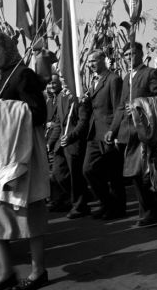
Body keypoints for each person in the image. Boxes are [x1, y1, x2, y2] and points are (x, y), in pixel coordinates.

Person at [0, 31, 50, 290]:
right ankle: (6, 272)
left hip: (24, 154)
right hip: (5, 153)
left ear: (7, 47)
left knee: (31, 211)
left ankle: (38, 271)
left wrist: (1, 108)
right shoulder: (1, 75)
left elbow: (39, 113)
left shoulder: (24, 74)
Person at [105, 42, 157, 226]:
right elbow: (120, 107)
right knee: (134, 174)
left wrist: (140, 104)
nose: (129, 57)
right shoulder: (126, 79)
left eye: (132, 53)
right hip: (127, 133)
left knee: (146, 173)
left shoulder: (151, 73)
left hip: (145, 132)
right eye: (126, 55)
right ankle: (150, 209)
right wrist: (113, 129)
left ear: (140, 54)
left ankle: (152, 211)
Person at [82, 50, 126, 220]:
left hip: (108, 131)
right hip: (94, 133)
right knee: (88, 170)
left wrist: (115, 132)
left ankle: (117, 209)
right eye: (89, 62)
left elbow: (118, 107)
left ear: (103, 60)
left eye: (94, 60)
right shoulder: (93, 81)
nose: (91, 64)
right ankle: (107, 203)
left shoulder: (113, 79)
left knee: (114, 174)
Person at [47, 77, 91, 220]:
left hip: (74, 142)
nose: (63, 80)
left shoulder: (79, 96)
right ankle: (76, 197)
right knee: (58, 173)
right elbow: (59, 122)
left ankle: (80, 205)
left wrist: (71, 136)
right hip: (61, 143)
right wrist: (51, 142)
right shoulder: (61, 96)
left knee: (75, 175)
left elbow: (83, 121)